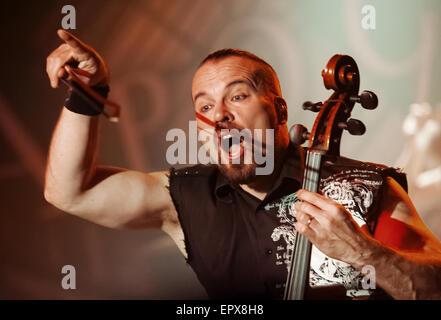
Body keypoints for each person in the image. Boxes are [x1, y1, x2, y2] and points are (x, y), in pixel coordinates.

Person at [44, 29, 441, 300]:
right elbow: (70, 193)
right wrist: (89, 94)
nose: (218, 116)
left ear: (279, 110)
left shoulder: (366, 188)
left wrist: (365, 253)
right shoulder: (185, 198)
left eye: (237, 97)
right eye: (204, 106)